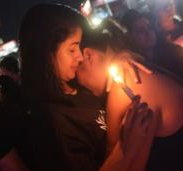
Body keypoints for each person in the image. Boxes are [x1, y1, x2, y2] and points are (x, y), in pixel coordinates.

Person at [19, 3, 157, 171]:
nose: (80, 56)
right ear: (47, 53)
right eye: (72, 49)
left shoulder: (78, 85)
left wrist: (122, 56)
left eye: (79, 46)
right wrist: (125, 147)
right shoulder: (51, 123)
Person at [77, 20, 183, 170]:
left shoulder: (124, 85)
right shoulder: (139, 67)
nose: (87, 91)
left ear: (88, 56)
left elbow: (123, 162)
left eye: (78, 77)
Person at [121, 9, 183, 78]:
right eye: (141, 31)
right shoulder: (132, 64)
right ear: (130, 37)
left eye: (149, 27)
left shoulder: (171, 50)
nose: (148, 32)